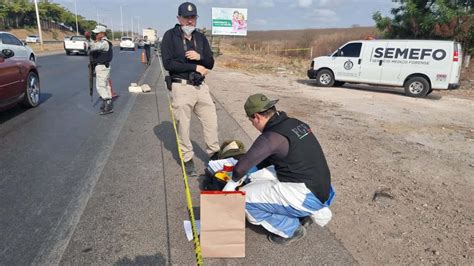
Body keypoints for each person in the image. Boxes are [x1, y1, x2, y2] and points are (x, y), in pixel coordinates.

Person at [225, 93, 335, 245]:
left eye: (251, 120)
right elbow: (265, 159)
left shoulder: (272, 137)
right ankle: (304, 215)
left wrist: (229, 186)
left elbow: (239, 170)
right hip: (322, 188)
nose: (252, 124)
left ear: (256, 116)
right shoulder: (295, 123)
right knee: (256, 178)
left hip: (307, 196)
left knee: (243, 198)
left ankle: (291, 229)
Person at [161, 2, 220, 177]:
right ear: (179, 18)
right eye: (186, 17)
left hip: (201, 86)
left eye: (192, 17)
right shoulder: (170, 36)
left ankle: (214, 155)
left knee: (211, 121)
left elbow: (210, 62)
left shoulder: (200, 38)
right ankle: (187, 158)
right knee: (183, 126)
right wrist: (194, 67)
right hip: (182, 87)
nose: (189, 21)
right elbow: (168, 63)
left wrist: (199, 57)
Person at [89, 25, 114, 115]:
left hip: (102, 67)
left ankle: (107, 103)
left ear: (102, 34)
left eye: (97, 33)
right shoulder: (103, 42)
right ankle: (108, 102)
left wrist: (88, 40)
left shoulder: (104, 43)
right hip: (103, 67)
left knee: (100, 86)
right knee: (106, 85)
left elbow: (93, 47)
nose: (95, 35)